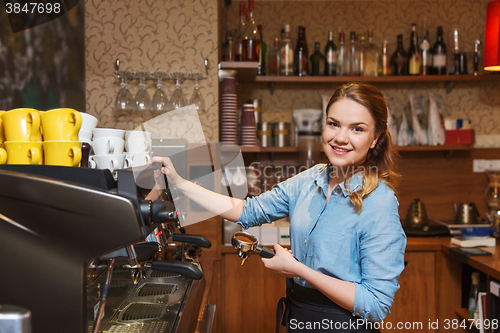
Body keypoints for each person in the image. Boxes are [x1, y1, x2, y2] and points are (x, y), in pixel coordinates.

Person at [149, 82, 406, 332]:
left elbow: (376, 304)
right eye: (334, 124)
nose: (340, 137)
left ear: (375, 138)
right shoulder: (309, 180)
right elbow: (247, 212)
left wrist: (297, 269)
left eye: (357, 129)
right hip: (299, 318)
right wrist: (179, 183)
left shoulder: (379, 201)